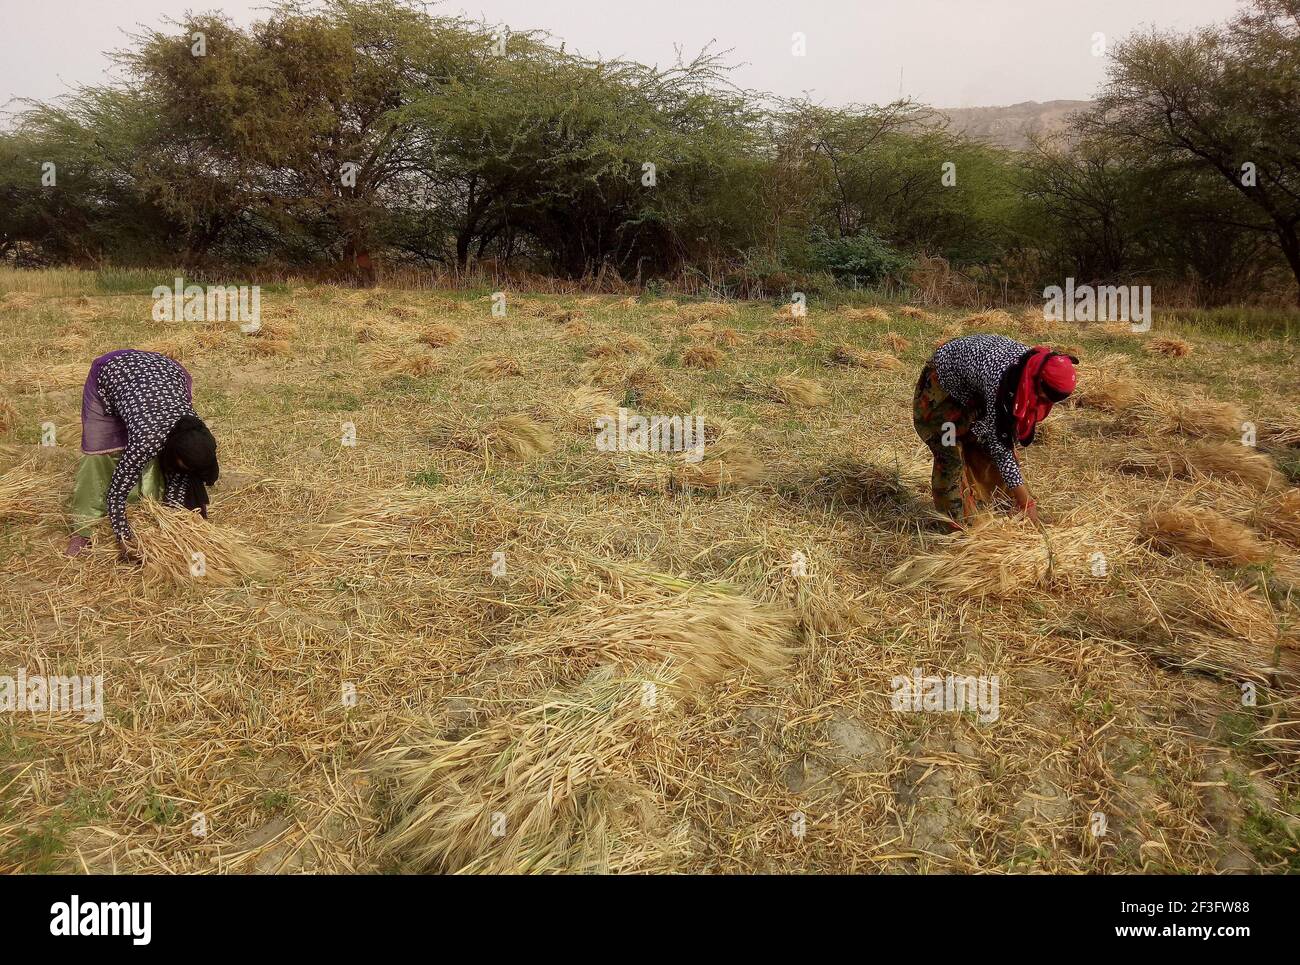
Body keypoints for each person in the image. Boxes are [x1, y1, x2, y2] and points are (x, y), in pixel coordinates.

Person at [66, 349, 219, 559]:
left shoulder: (193, 428)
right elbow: (116, 494)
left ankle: (147, 502)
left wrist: (172, 522)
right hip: (113, 373)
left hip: (167, 373)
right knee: (99, 452)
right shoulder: (148, 439)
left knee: (164, 463)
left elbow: (179, 476)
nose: (183, 470)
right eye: (183, 464)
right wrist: (123, 538)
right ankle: (84, 529)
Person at [913, 333, 1076, 526]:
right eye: (1045, 397)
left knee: (984, 443)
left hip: (974, 391)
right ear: (1037, 381)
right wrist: (1026, 501)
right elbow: (1000, 446)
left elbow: (1002, 434)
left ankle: (995, 507)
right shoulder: (1002, 379)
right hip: (944, 389)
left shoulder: (1028, 370)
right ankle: (955, 526)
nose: (1044, 403)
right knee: (950, 454)